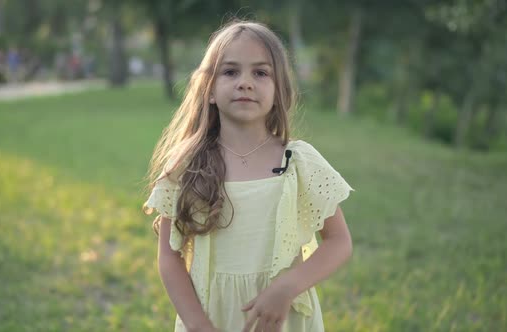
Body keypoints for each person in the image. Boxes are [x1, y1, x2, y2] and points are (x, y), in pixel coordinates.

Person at [144, 20, 354, 332]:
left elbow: (339, 242)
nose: (245, 82)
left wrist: (287, 288)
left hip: (282, 319)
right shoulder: (186, 166)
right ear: (210, 90)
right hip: (211, 317)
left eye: (260, 72)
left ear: (278, 91)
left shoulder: (299, 162)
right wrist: (198, 324)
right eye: (230, 72)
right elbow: (169, 258)